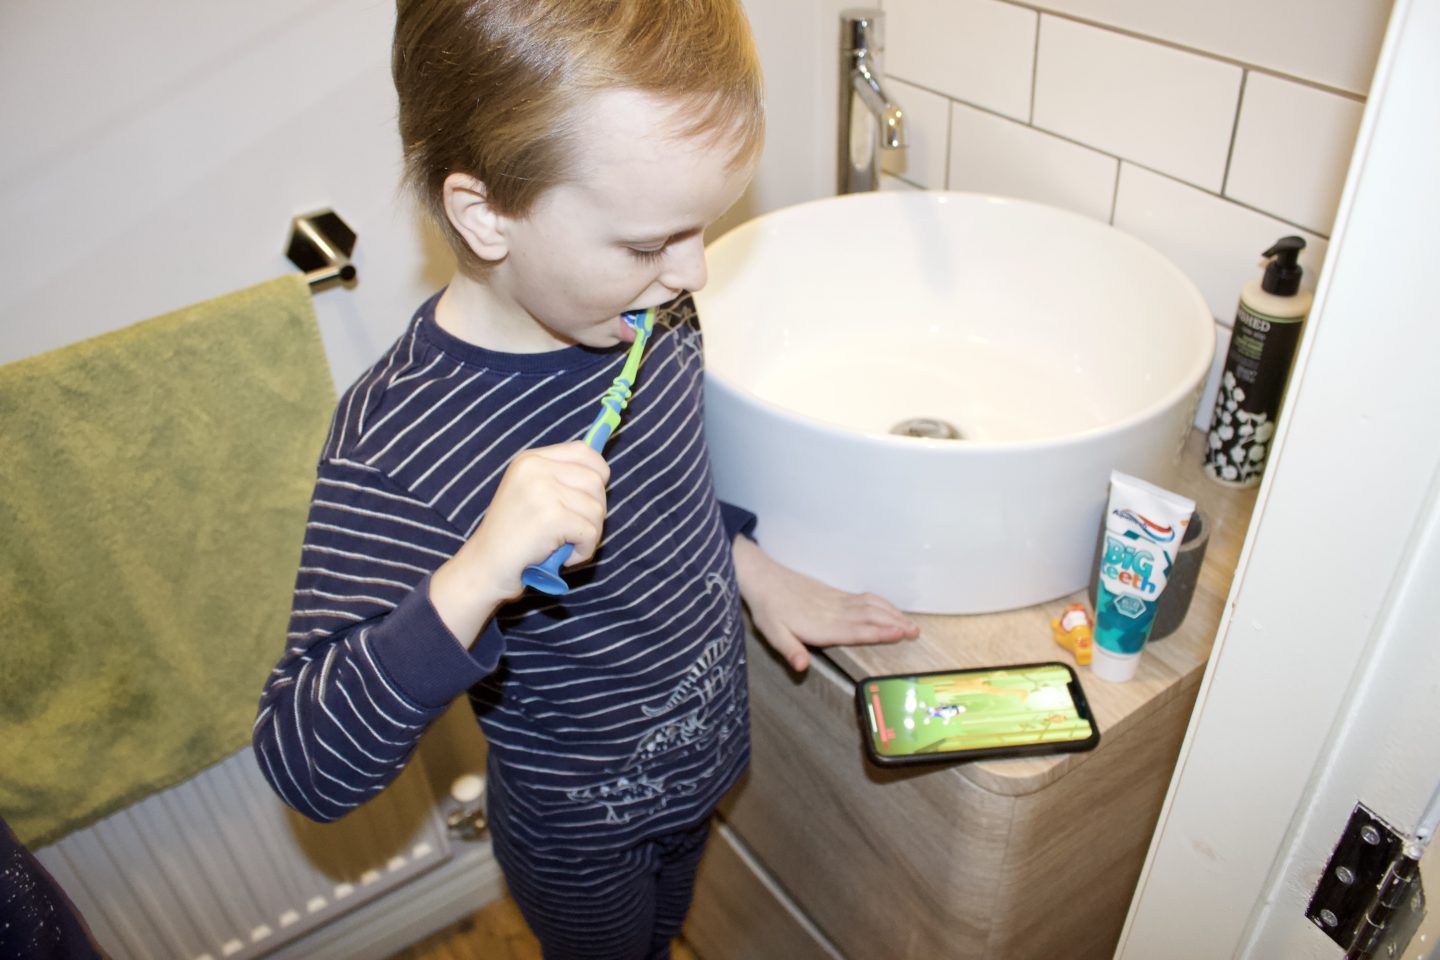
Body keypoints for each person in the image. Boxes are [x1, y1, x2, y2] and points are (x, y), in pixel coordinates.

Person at [253, 1, 918, 956]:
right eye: (650, 243)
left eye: (705, 227)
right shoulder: (396, 441)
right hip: (580, 842)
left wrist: (756, 573)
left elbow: (670, 494)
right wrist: (476, 572)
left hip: (705, 773)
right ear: (486, 216)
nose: (690, 272)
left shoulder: (645, 317)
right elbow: (305, 763)